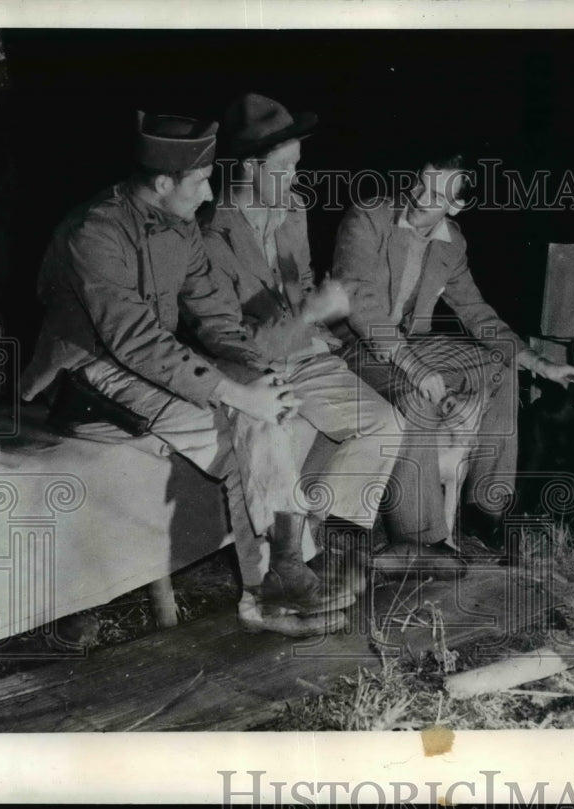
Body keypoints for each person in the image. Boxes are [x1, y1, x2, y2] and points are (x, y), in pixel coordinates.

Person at [19, 111, 353, 637]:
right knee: (243, 424)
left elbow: (217, 317)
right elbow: (133, 340)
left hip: (148, 362)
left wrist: (257, 376)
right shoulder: (95, 233)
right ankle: (273, 587)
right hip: (86, 378)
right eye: (199, 181)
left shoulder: (179, 228)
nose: (207, 194)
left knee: (264, 415)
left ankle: (281, 577)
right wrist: (237, 395)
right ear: (162, 182)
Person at [197, 93, 466, 578]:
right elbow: (232, 342)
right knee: (285, 430)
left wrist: (317, 322)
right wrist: (309, 314)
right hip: (251, 366)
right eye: (285, 169)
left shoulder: (292, 210)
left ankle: (326, 533)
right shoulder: (210, 235)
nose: (297, 179)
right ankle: (295, 564)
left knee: (384, 423)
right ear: (249, 168)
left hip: (304, 353)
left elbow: (299, 284)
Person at [331, 153, 574, 550]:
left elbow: (477, 313)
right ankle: (419, 538)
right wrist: (416, 369)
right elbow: (359, 303)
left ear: (456, 205)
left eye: (435, 194)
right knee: (416, 395)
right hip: (356, 344)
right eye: (420, 183)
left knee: (500, 369)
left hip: (413, 342)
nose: (418, 196)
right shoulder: (368, 218)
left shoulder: (453, 242)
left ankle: (487, 508)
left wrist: (540, 364)